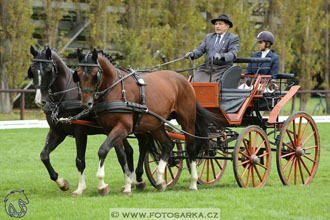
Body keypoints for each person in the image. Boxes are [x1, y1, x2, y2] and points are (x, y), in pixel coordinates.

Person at [185, 14, 239, 82]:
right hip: (206, 67)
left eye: (220, 24)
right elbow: (200, 49)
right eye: (216, 24)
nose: (217, 26)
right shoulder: (208, 37)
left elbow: (233, 54)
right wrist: (192, 54)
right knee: (194, 82)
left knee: (210, 85)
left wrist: (221, 56)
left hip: (222, 68)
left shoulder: (233, 38)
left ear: (227, 26)